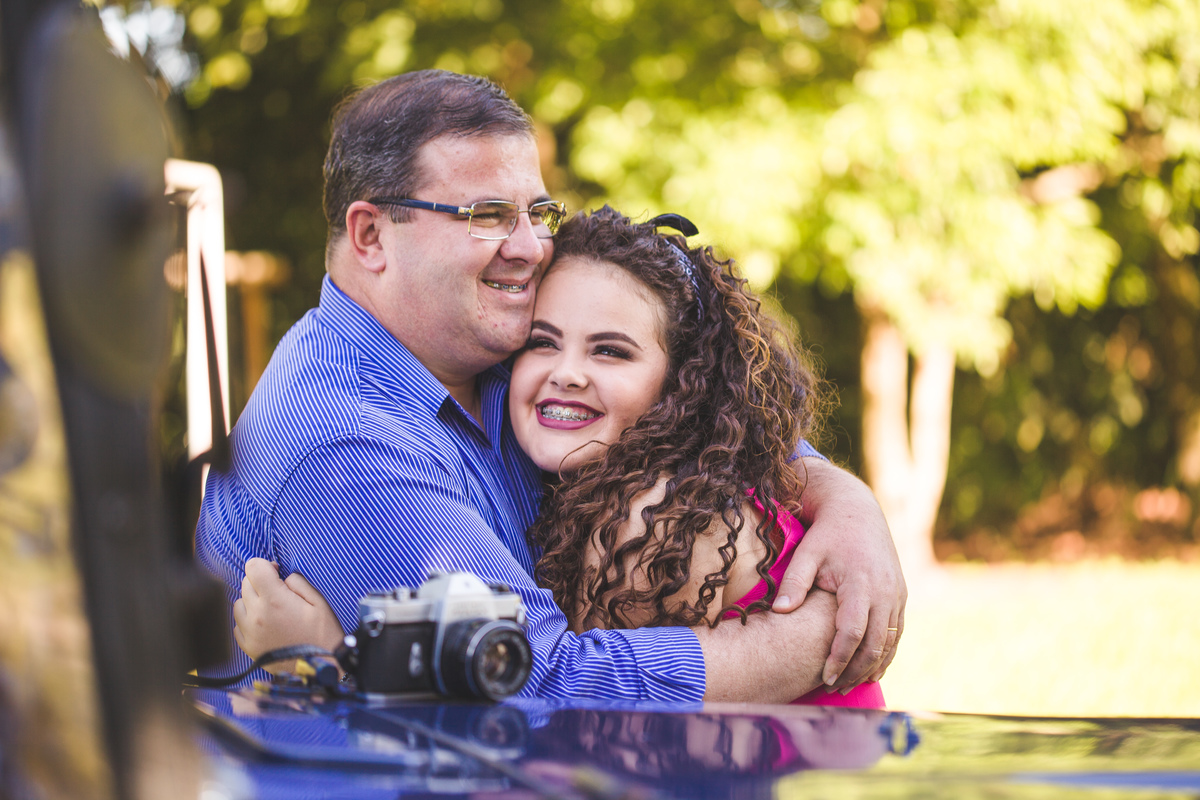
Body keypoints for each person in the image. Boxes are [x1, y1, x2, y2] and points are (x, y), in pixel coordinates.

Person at [197, 69, 905, 703]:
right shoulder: (343, 440)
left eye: (537, 212)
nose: (532, 248)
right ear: (372, 236)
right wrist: (815, 642)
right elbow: (539, 684)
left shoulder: (511, 351)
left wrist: (842, 499)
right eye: (487, 215)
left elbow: (703, 412)